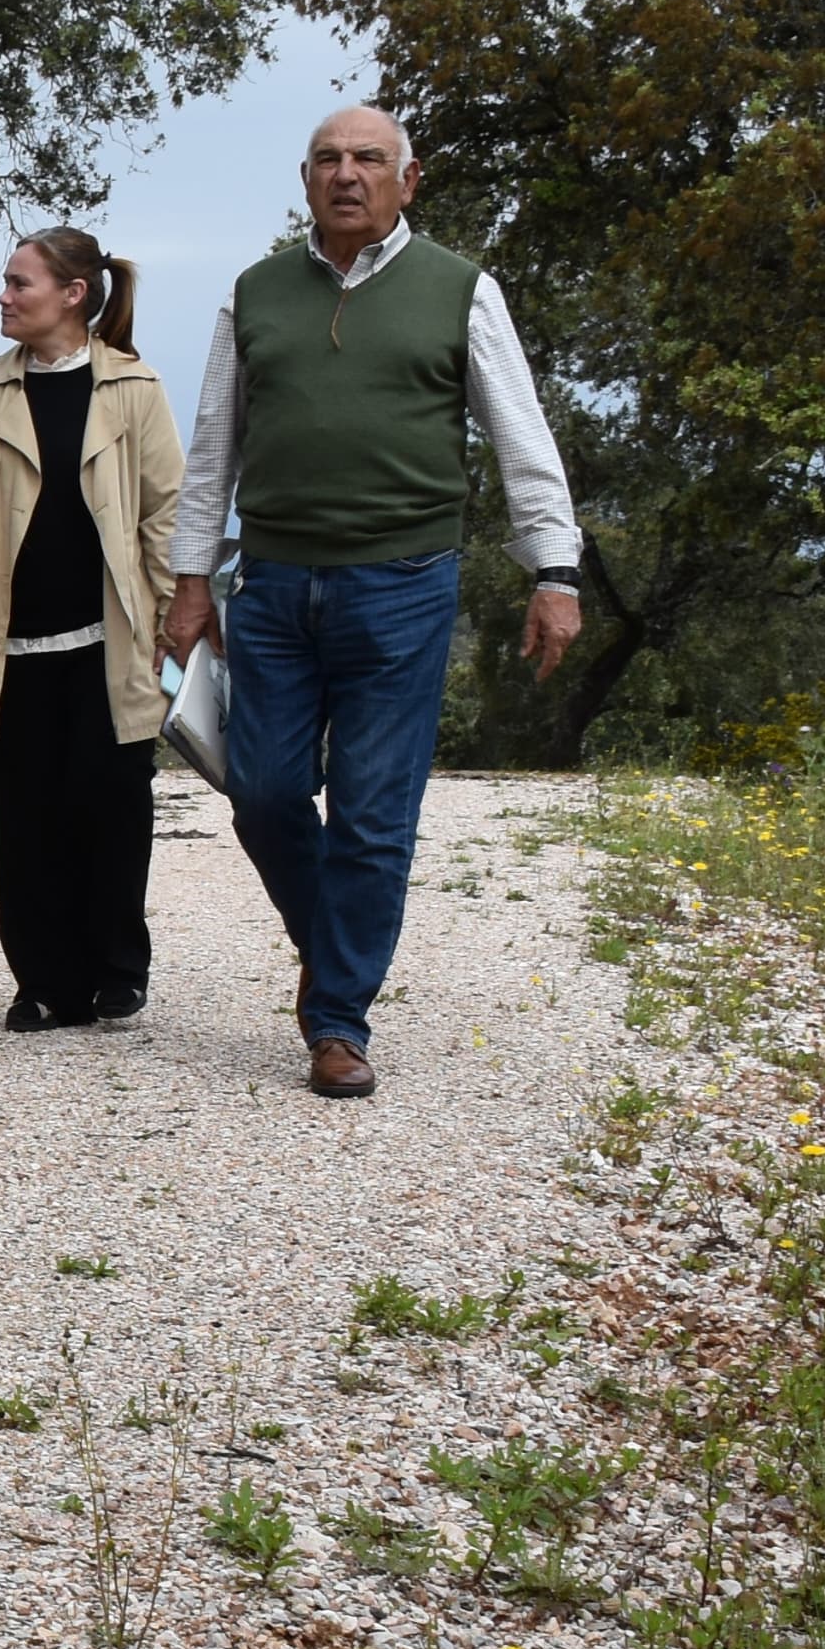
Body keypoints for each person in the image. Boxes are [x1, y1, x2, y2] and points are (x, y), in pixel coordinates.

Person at [162, 105, 584, 1099]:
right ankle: (337, 943)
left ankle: (336, 1020)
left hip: (399, 586)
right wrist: (188, 583)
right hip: (267, 584)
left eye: (367, 159)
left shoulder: (456, 289)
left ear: (407, 177)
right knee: (260, 792)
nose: (346, 174)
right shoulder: (253, 294)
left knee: (369, 813)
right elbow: (212, 443)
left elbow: (519, 436)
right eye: (326, 160)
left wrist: (553, 572)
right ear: (302, 179)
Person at [0, 229, 186, 1031]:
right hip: (12, 645)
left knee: (110, 807)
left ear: (73, 294)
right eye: (5, 283)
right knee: (25, 814)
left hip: (112, 639)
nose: (3, 296)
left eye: (18, 283)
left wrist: (176, 616)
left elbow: (165, 512)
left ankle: (115, 970)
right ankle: (42, 980)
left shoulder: (133, 388)